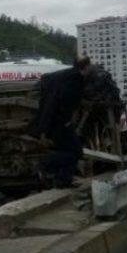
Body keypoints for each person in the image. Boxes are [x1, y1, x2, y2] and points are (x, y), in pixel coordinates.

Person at [29, 56, 92, 188]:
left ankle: (63, 180)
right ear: (86, 67)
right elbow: (60, 101)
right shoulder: (74, 80)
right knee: (75, 151)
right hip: (59, 123)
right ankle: (46, 164)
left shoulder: (66, 75)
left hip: (54, 122)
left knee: (70, 150)